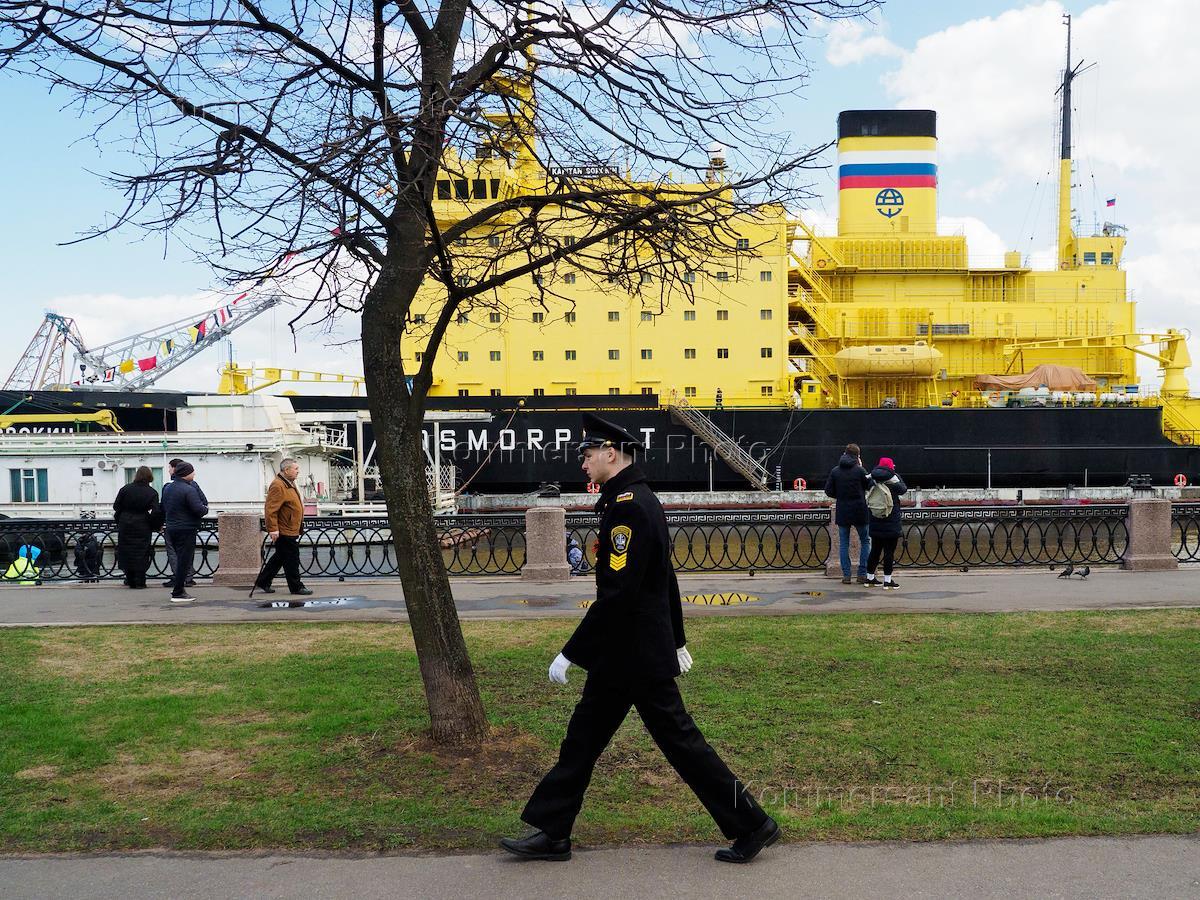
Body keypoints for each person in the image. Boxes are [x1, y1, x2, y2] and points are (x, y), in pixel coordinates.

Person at [502, 412, 779, 865]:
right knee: (583, 741)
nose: (583, 464)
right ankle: (553, 833)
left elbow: (619, 593)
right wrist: (677, 639)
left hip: (633, 654)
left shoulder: (629, 506)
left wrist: (571, 652)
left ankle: (752, 824)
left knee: (679, 744)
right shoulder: (637, 499)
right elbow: (664, 577)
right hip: (629, 652)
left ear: (611, 454)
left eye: (588, 455)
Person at [253, 458, 312, 596]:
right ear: (286, 470)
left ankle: (263, 581)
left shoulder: (288, 483)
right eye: (296, 469)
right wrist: (273, 529)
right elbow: (271, 509)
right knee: (292, 559)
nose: (298, 471)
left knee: (280, 557)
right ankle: (296, 587)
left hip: (289, 528)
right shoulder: (278, 485)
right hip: (285, 529)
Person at [824, 442, 872, 584]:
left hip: (843, 510)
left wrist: (840, 495)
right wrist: (862, 468)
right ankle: (862, 573)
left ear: (844, 453)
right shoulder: (860, 471)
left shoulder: (835, 471)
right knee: (865, 540)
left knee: (844, 543)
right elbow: (869, 486)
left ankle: (846, 575)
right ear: (858, 456)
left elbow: (828, 491)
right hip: (859, 510)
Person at [161, 460, 208, 602]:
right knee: (184, 561)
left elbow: (164, 507)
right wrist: (205, 509)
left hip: (172, 528)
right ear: (186, 473)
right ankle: (178, 592)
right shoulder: (189, 489)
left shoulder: (168, 488)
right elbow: (199, 509)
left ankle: (178, 588)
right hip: (186, 529)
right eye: (192, 471)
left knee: (179, 559)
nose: (194, 474)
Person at [113, 466, 162, 589]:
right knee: (142, 552)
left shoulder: (125, 489)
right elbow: (156, 511)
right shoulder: (152, 492)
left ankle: (130, 579)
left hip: (125, 523)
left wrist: (122, 516)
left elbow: (116, 506)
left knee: (126, 551)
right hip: (142, 524)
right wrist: (154, 524)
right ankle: (140, 581)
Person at [864, 456, 907, 590]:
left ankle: (869, 578)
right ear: (890, 467)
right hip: (891, 521)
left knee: (875, 550)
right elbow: (903, 489)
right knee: (889, 552)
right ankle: (887, 581)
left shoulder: (872, 479)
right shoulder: (894, 479)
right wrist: (895, 478)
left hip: (875, 519)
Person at [160, 459, 195, 589]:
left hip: (172, 525)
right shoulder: (192, 487)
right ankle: (187, 578)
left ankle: (179, 580)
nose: (169, 470)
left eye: (170, 468)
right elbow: (201, 506)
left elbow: (163, 506)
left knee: (174, 553)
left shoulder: (168, 487)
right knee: (187, 554)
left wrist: (161, 522)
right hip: (189, 525)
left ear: (175, 469)